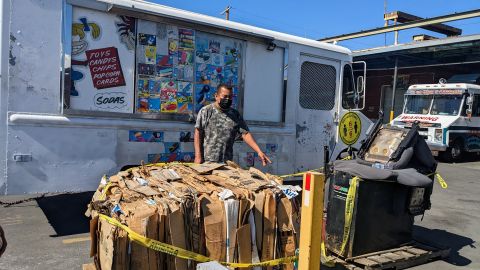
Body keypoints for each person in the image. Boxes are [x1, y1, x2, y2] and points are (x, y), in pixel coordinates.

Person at [194, 84, 271, 166]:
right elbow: (198, 133)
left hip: (226, 163)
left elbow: (245, 134)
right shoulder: (206, 111)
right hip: (207, 162)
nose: (227, 99)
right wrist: (198, 156)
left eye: (230, 97)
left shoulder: (235, 114)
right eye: (225, 96)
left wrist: (259, 151)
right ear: (216, 96)